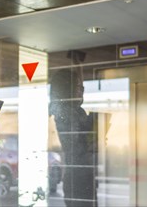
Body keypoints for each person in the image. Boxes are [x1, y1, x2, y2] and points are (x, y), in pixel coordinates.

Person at [49, 68, 98, 207]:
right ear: (67, 88)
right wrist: (94, 136)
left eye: (81, 87)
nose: (81, 91)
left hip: (84, 174)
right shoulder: (65, 113)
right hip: (78, 176)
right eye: (78, 86)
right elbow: (76, 147)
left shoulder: (76, 111)